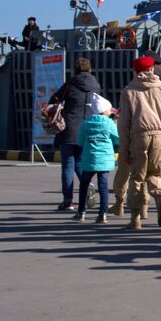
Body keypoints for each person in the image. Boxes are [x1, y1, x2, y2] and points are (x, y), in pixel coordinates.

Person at [117, 56, 161, 230]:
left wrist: (125, 148)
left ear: (135, 71)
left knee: (137, 177)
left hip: (139, 136)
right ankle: (159, 196)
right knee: (155, 173)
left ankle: (135, 219)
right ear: (152, 69)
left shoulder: (128, 91)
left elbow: (124, 124)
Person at [48, 58, 101, 211]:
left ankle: (68, 201)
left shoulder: (70, 84)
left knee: (67, 166)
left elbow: (54, 99)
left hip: (69, 129)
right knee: (81, 163)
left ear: (75, 70)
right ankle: (89, 186)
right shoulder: (96, 86)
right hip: (87, 129)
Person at [74, 95, 120, 224]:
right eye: (109, 110)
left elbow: (80, 141)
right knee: (103, 186)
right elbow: (117, 139)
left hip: (88, 159)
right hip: (104, 160)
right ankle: (102, 214)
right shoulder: (110, 123)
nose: (111, 111)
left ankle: (81, 212)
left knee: (84, 185)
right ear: (104, 111)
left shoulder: (86, 123)